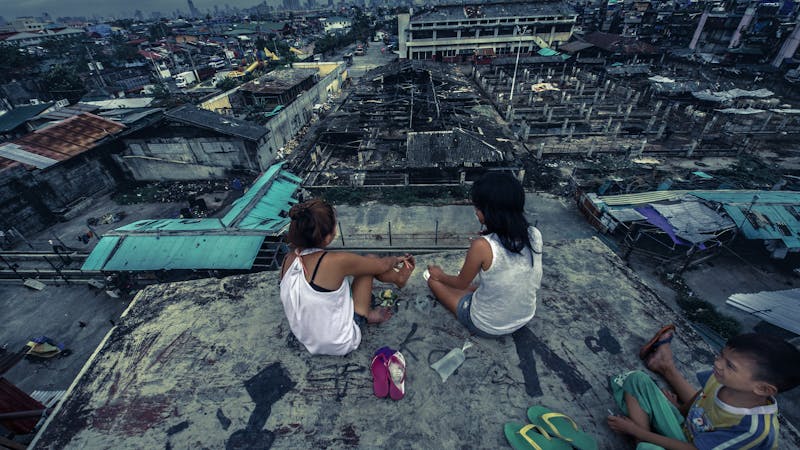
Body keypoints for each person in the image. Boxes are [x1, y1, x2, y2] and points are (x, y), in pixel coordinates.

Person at [607, 327, 800, 449]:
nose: (718, 364)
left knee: (648, 448)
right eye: (720, 355)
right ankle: (642, 437)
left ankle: (640, 437)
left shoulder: (753, 429)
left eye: (730, 365)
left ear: (763, 389)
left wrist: (638, 432)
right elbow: (702, 395)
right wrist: (680, 409)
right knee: (636, 379)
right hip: (685, 432)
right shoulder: (722, 378)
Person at [279, 199, 415, 356]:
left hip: (307, 339)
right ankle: (396, 281)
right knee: (370, 261)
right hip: (341, 342)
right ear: (328, 237)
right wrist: (396, 260)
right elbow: (381, 265)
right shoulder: (336, 261)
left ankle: (397, 280)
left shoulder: (287, 260)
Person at [426, 172, 542, 338]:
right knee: (479, 287)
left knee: (433, 282)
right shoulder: (534, 234)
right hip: (524, 317)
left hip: (488, 325)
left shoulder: (482, 245)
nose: (476, 212)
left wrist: (439, 275)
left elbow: (460, 283)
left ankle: (439, 282)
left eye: (478, 208)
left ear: (490, 212)